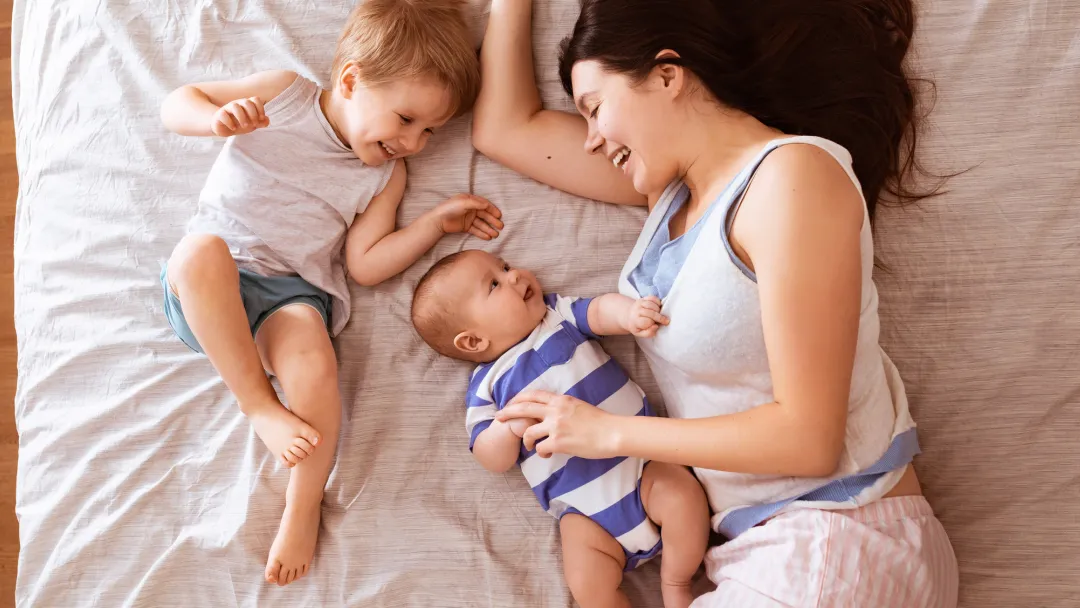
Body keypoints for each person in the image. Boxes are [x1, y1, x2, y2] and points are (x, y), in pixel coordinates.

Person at [472, 0, 959, 605]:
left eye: (596, 110)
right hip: (774, 549)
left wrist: (610, 433)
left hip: (837, 535)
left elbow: (810, 439)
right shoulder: (670, 196)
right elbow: (502, 130)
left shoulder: (790, 178)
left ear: (667, 75)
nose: (593, 140)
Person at [158, 0, 502, 587]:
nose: (415, 143)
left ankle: (303, 500)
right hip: (213, 285)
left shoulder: (384, 175)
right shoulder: (285, 94)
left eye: (430, 132)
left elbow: (365, 265)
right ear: (350, 81)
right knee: (197, 253)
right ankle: (258, 405)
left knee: (317, 363)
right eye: (406, 120)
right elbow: (176, 103)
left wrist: (432, 226)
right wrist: (214, 121)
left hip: (290, 295)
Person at [411, 249, 709, 608]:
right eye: (494, 283)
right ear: (473, 341)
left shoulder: (556, 316)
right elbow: (489, 457)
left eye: (505, 266)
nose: (515, 275)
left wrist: (628, 314)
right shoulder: (487, 387)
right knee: (585, 582)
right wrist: (510, 428)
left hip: (642, 465)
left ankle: (676, 583)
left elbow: (598, 311)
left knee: (683, 499)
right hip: (584, 513)